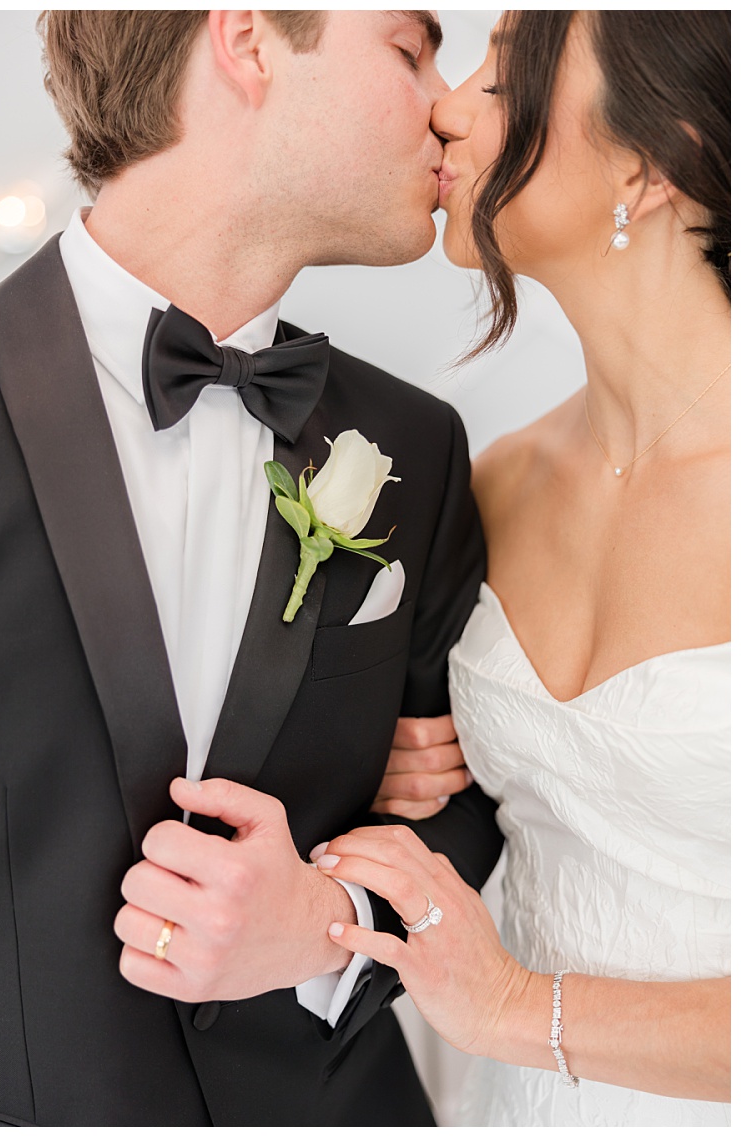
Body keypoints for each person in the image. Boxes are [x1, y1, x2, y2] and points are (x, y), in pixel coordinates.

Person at [0, 11, 504, 1125]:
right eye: (410, 53)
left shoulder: (414, 444)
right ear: (249, 39)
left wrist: (325, 918)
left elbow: (462, 805)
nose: (447, 104)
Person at [320, 10, 730, 1124]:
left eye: (501, 80)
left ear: (649, 165)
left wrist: (511, 1004)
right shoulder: (494, 478)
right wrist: (393, 760)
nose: (446, 107)